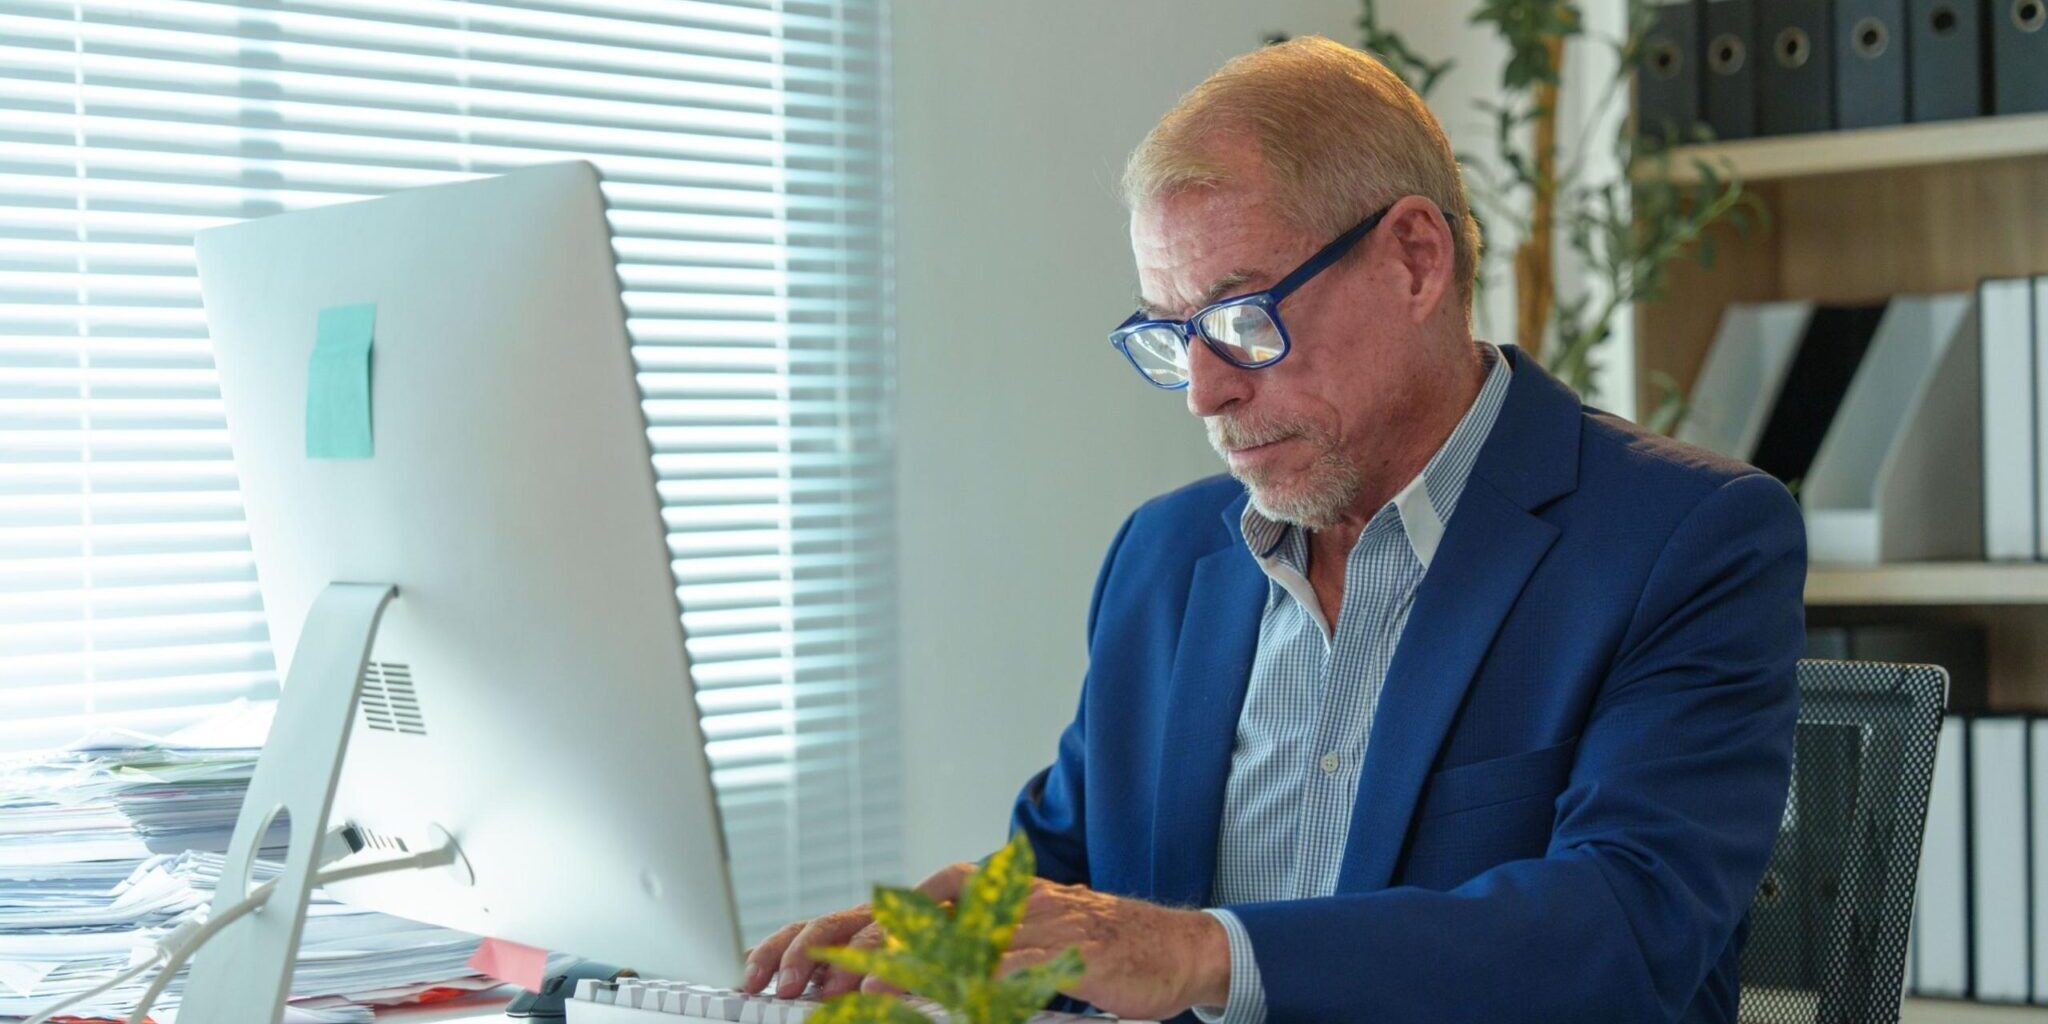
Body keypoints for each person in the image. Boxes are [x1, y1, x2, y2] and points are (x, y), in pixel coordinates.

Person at [739, 35, 1804, 1024]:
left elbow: (1625, 926)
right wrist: (928, 965)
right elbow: (1070, 897)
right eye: (1169, 335)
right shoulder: (1162, 562)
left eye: (1242, 320)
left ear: (1414, 262)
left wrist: (1208, 954)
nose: (1203, 392)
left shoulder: (1683, 539)